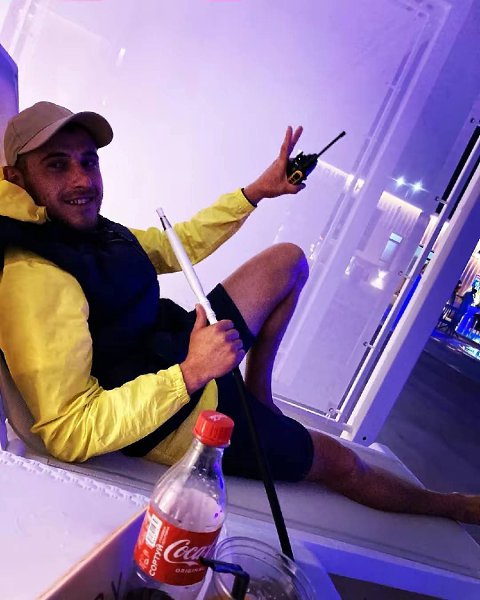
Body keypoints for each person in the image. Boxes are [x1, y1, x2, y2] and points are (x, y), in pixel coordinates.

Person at [0, 101, 478, 525]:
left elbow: (176, 244)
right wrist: (191, 372)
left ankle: (258, 394)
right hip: (169, 413)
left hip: (176, 351)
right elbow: (68, 431)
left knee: (287, 260)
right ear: (16, 178)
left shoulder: (85, 229)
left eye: (88, 161)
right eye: (57, 165)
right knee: (341, 464)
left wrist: (256, 192)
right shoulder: (34, 277)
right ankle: (452, 506)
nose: (82, 180)